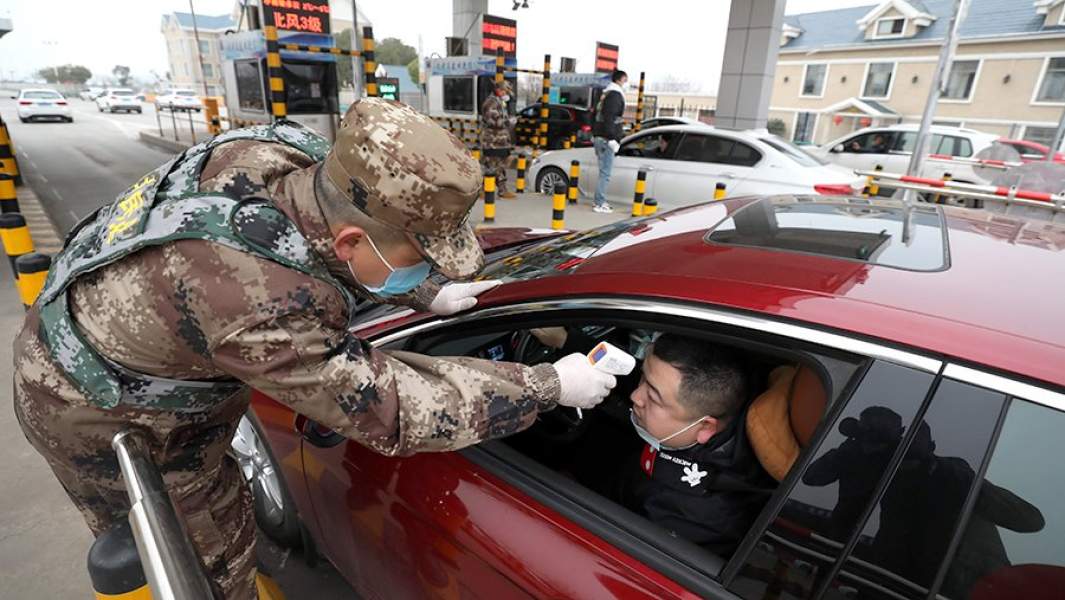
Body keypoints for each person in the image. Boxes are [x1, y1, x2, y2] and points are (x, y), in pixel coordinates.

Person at [13, 98, 616, 599]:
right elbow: (395, 409)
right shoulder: (258, 303)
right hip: (98, 407)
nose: (425, 268)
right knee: (202, 551)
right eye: (422, 257)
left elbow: (334, 243)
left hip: (119, 324)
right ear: (353, 238)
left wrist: (427, 291)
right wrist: (550, 385)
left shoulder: (290, 159)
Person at [621, 334, 775, 557]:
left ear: (705, 428)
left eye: (653, 398)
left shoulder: (691, 519)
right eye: (643, 378)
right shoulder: (727, 392)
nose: (635, 396)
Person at [591, 69, 628, 213]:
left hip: (600, 136)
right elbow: (609, 117)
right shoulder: (615, 95)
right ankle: (599, 203)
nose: (626, 83)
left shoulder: (605, 93)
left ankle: (599, 201)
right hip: (607, 139)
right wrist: (612, 138)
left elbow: (595, 114)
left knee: (603, 172)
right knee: (605, 173)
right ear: (619, 79)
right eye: (625, 80)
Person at [480, 80, 516, 199]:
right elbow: (493, 121)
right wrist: (508, 122)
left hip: (500, 141)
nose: (507, 94)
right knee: (492, 166)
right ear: (499, 90)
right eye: (505, 91)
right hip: (493, 141)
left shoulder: (499, 102)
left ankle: (501, 190)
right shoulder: (490, 103)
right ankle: (486, 190)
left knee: (498, 166)